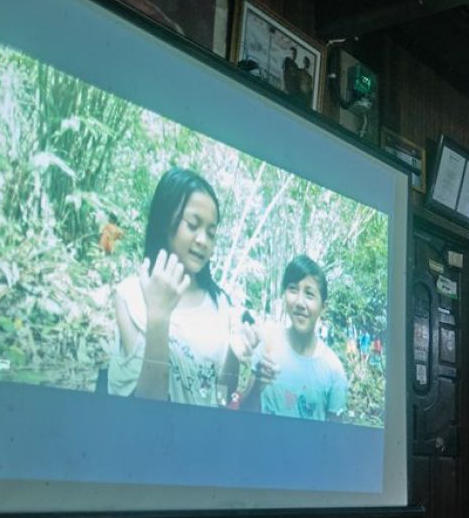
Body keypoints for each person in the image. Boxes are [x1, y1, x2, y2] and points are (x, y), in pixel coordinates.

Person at [110, 167, 252, 405]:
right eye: (193, 225)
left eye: (211, 232)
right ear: (166, 221)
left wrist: (234, 355)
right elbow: (145, 406)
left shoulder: (221, 304)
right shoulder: (130, 295)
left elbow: (222, 398)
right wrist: (158, 316)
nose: (203, 241)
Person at [241, 255, 348, 421]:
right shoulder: (266, 348)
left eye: (309, 294)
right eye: (293, 289)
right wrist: (257, 387)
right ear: (284, 295)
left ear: (323, 307)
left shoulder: (334, 371)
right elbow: (244, 416)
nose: (300, 302)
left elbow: (334, 437)